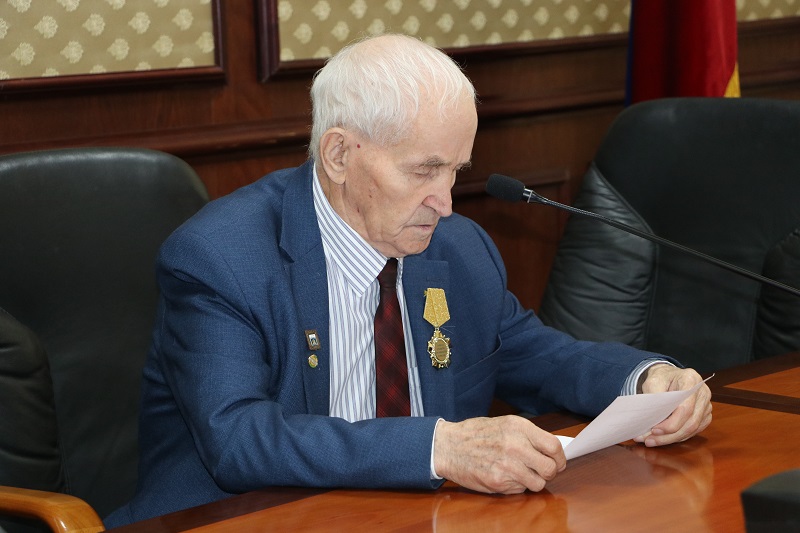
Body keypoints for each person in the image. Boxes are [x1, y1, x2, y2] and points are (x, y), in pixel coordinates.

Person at [105, 33, 711, 527]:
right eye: (424, 170)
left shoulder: (457, 248)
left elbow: (536, 355)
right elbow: (238, 440)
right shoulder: (222, 257)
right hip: (240, 519)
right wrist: (437, 449)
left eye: (455, 171)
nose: (444, 203)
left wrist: (644, 381)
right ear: (339, 155)